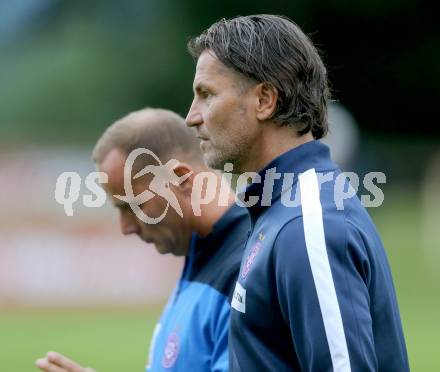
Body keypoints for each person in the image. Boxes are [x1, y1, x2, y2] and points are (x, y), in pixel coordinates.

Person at [186, 15, 409, 371]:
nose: (191, 116)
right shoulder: (280, 208)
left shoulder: (308, 224)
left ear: (264, 100)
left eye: (206, 95)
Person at [36, 108, 249, 372]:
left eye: (133, 205)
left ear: (180, 179)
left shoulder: (247, 269)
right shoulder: (204, 258)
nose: (126, 227)